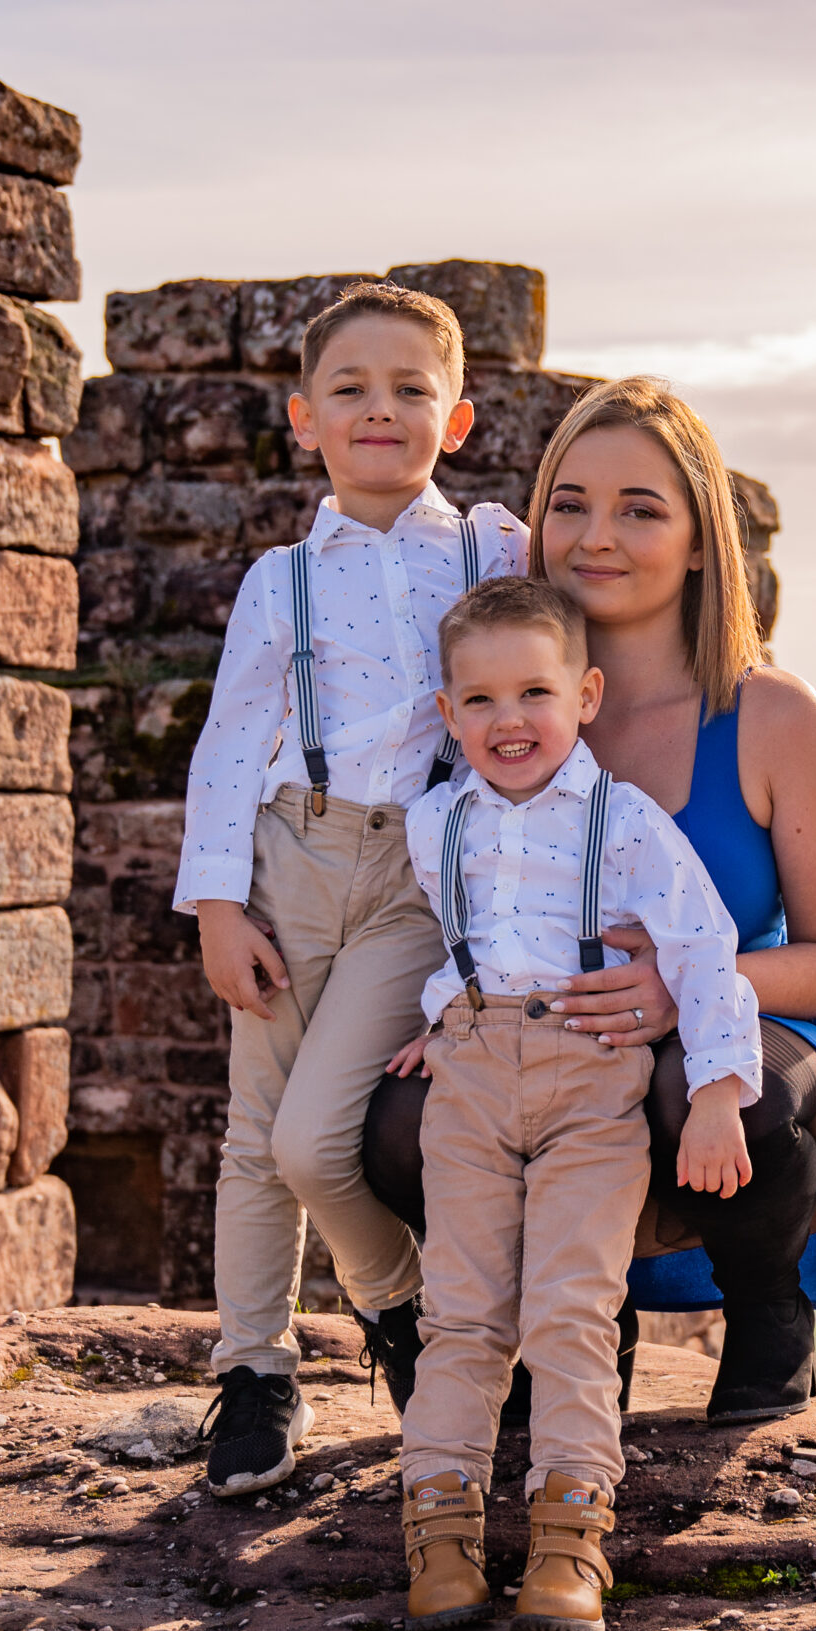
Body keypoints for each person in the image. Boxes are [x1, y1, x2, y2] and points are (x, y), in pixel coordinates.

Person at [364, 375, 816, 1426]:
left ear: (702, 541)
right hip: (548, 1039)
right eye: (570, 502)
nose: (596, 535)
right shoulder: (496, 706)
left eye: (641, 508)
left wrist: (680, 984)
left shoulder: (770, 715)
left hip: (769, 1031)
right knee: (401, 1121)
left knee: (710, 1083)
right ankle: (577, 1329)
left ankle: (769, 1320)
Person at [173, 283, 525, 1496]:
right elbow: (230, 740)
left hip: (417, 878)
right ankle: (256, 1369)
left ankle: (401, 1311)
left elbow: (618, 623)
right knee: (252, 1131)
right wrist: (219, 903)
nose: (382, 409)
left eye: (410, 388)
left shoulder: (492, 547)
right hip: (292, 855)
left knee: (318, 1140)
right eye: (351, 389)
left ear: (459, 415)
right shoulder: (282, 578)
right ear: (303, 417)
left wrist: (767, 671)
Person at [387, 576, 758, 1631]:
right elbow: (470, 938)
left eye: (535, 692)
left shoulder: (625, 821)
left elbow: (702, 950)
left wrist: (719, 1093)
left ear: (585, 694)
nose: (510, 721)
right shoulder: (434, 824)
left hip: (589, 1079)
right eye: (481, 701)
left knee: (567, 1308)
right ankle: (441, 1529)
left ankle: (569, 1535)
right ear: (449, 712)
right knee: (458, 1309)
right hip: (468, 1078)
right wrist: (441, 1013)